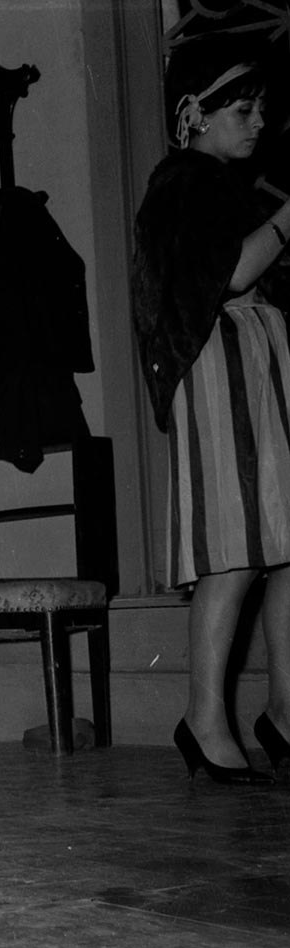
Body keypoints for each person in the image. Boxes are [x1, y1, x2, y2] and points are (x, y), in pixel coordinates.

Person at [131, 41, 290, 786]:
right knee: (236, 548)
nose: (257, 122)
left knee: (281, 544)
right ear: (193, 115)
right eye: (242, 109)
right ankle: (203, 718)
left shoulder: (221, 182)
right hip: (219, 362)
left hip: (255, 362)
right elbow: (229, 274)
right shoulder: (183, 182)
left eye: (261, 110)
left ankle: (284, 711)